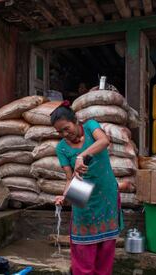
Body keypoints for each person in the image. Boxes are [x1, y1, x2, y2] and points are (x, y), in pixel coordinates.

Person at [51, 101, 122, 275]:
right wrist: (64, 195)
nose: (64, 134)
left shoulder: (91, 126)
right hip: (81, 192)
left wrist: (81, 156)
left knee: (106, 247)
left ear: (75, 120)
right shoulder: (61, 148)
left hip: (106, 190)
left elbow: (105, 141)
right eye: (60, 132)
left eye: (66, 128)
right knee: (83, 245)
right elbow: (70, 179)